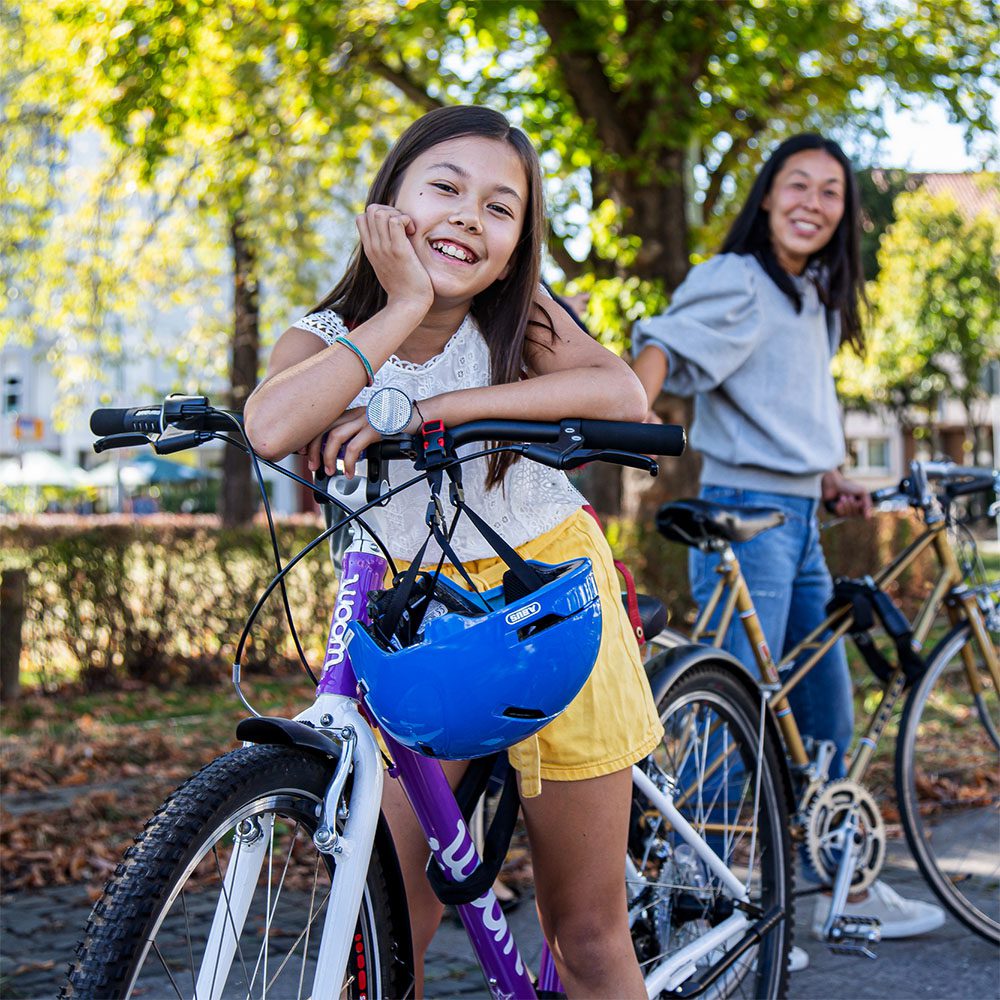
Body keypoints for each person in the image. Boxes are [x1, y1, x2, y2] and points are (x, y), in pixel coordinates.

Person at [244, 105, 661, 998]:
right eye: (445, 188)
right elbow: (273, 423)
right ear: (388, 203)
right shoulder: (325, 336)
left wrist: (438, 413)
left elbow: (623, 395)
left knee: (586, 933)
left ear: (517, 245)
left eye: (500, 207)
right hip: (412, 620)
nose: (470, 216)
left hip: (548, 594)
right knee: (387, 924)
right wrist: (403, 306)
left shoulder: (522, 324)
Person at [631, 133, 945, 953]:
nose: (812, 201)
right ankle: (691, 908)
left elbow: (794, 404)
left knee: (823, 708)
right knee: (736, 707)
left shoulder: (809, 294)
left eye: (830, 191)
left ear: (845, 213)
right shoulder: (737, 279)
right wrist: (626, 406)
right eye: (795, 185)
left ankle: (849, 881)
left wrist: (834, 473)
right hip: (747, 512)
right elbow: (664, 344)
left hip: (802, 518)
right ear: (766, 196)